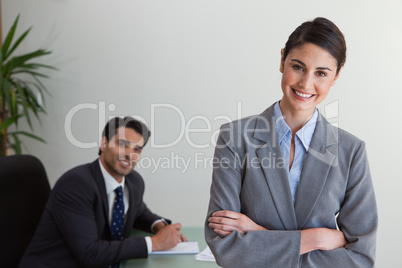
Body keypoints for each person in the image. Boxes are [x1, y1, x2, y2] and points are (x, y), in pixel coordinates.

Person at [205, 17, 377, 268]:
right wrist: (314, 238)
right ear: (282, 59)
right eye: (298, 67)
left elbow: (360, 259)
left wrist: (259, 235)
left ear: (336, 76)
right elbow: (226, 248)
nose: (306, 84)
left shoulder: (351, 151)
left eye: (321, 73)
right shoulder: (234, 137)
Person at [20, 116, 187, 268]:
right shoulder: (76, 184)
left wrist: (161, 227)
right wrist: (154, 243)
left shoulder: (133, 181)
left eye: (137, 149)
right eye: (123, 144)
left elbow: (138, 212)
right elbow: (89, 253)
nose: (129, 154)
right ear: (104, 144)